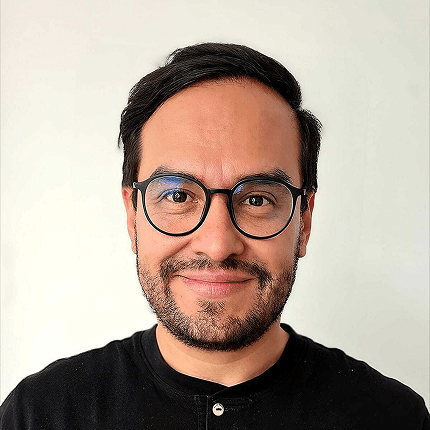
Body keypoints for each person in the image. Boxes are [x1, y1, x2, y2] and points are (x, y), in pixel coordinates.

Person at [1, 42, 428, 429]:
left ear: (305, 220)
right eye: (178, 195)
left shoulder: (392, 419)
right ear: (133, 216)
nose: (218, 245)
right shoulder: (40, 414)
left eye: (257, 199)